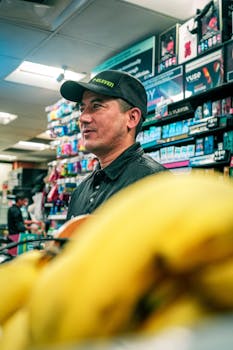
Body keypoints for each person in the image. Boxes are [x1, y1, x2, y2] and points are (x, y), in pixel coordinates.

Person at [60, 69, 168, 220]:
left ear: (132, 118)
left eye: (96, 106)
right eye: (82, 109)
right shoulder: (80, 192)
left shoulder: (157, 185)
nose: (83, 118)